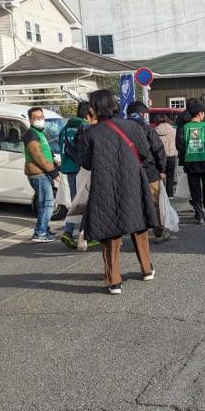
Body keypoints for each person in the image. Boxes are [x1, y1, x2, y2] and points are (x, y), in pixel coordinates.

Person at [81, 90, 157, 294]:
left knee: (110, 232)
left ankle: (114, 280)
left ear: (96, 107)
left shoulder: (90, 133)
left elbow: (86, 163)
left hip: (104, 184)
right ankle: (146, 268)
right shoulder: (132, 127)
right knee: (138, 226)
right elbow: (143, 152)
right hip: (132, 180)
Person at [128, 101, 170, 243]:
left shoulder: (121, 128)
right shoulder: (146, 128)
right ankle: (159, 232)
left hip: (129, 172)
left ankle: (138, 237)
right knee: (154, 204)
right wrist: (162, 169)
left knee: (135, 204)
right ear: (142, 113)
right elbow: (158, 150)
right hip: (150, 171)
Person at [177, 100, 205, 224]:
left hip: (191, 161)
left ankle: (199, 215)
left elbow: (180, 145)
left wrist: (183, 160)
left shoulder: (184, 127)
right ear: (201, 114)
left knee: (195, 189)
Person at [24, 107, 60, 243]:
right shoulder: (30, 134)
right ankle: (40, 233)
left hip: (44, 173)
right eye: (36, 117)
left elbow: (45, 152)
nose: (39, 120)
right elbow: (37, 156)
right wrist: (53, 171)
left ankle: (45, 229)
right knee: (47, 203)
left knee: (46, 203)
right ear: (30, 119)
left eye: (41, 117)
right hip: (38, 174)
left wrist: (54, 162)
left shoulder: (39, 133)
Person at [59, 101, 90, 247]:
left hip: (68, 168)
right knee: (86, 202)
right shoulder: (86, 127)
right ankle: (84, 235)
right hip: (83, 168)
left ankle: (68, 231)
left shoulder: (64, 128)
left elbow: (61, 148)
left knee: (75, 203)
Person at [154, 113, 178, 198]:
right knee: (170, 176)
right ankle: (170, 194)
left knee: (160, 175)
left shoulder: (154, 131)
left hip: (159, 157)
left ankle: (161, 194)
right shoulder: (173, 130)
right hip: (171, 155)